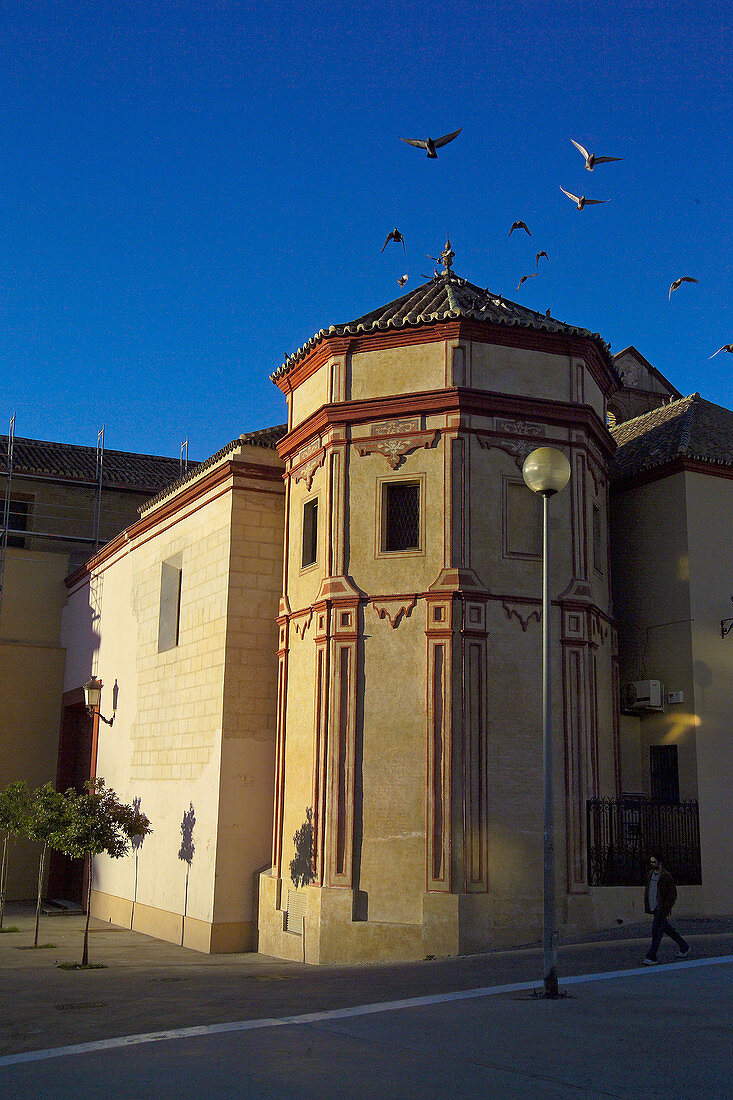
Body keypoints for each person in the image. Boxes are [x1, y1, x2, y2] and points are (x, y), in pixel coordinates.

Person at [643, 852, 690, 964]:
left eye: (654, 862)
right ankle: (684, 946)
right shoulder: (650, 875)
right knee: (667, 929)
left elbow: (672, 894)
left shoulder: (666, 876)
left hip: (661, 908)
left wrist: (666, 906)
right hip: (653, 907)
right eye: (651, 861)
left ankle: (652, 955)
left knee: (656, 931)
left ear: (660, 863)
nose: (652, 863)